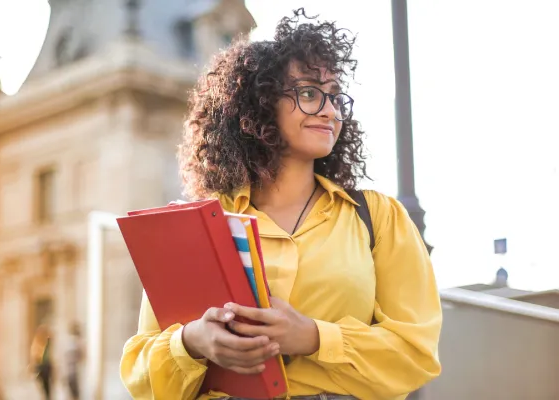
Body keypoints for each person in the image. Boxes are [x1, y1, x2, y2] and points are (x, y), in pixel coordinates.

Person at [120, 8, 442, 400]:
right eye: (309, 93)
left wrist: (313, 337)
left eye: (336, 97)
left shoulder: (378, 218)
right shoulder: (200, 225)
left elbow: (416, 354)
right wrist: (191, 342)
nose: (329, 110)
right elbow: (140, 373)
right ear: (259, 104)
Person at [30, 324, 53, 400]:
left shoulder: (46, 343)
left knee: (47, 388)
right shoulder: (37, 343)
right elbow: (35, 357)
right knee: (44, 387)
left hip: (46, 367)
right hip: (41, 367)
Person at [65, 322, 84, 400]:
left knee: (73, 393)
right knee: (74, 394)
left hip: (72, 372)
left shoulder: (70, 342)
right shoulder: (76, 342)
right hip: (73, 372)